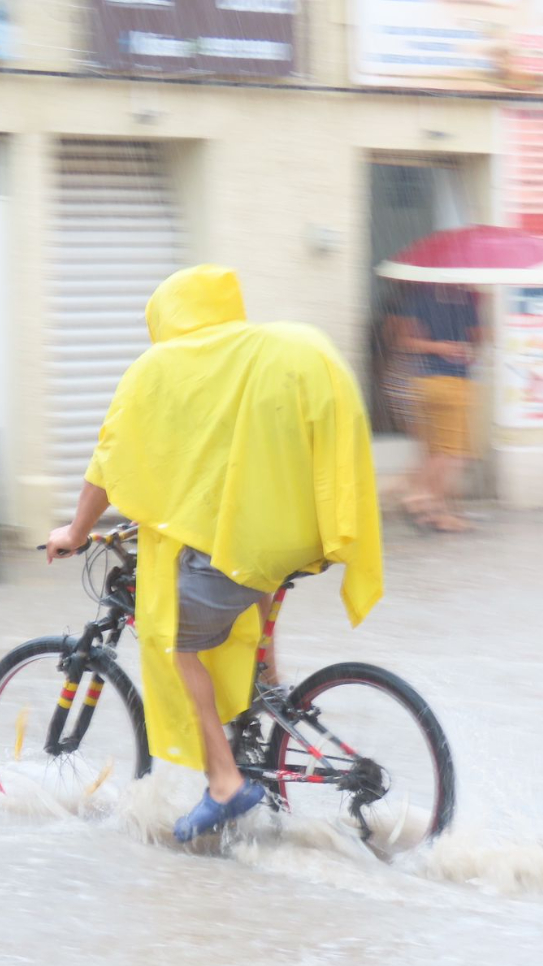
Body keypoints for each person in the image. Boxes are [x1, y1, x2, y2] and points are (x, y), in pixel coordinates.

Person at [46, 265, 383, 842]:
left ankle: (225, 780)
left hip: (245, 546)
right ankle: (272, 693)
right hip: (294, 532)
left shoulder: (164, 368)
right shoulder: (245, 362)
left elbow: (110, 461)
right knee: (248, 579)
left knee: (176, 639)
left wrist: (76, 531)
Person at [385, 283, 481, 532]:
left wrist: (433, 346)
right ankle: (420, 500)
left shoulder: (420, 299)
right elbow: (479, 339)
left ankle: (429, 508)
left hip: (422, 384)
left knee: (431, 452)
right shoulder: (468, 301)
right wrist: (451, 348)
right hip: (453, 385)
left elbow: (405, 341)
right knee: (452, 454)